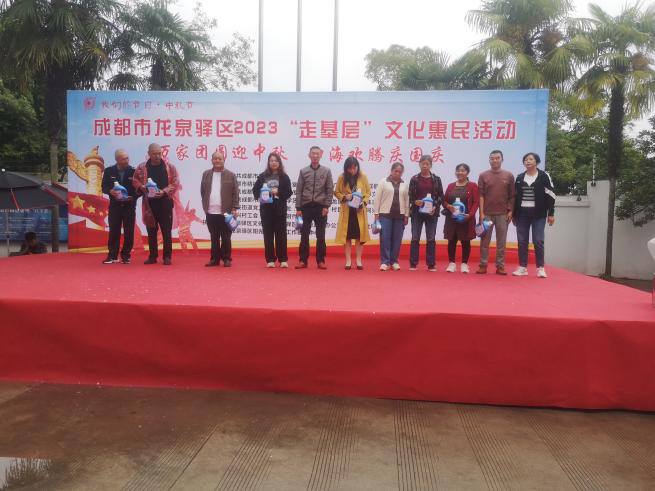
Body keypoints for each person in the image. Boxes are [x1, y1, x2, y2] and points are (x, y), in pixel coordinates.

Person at [133, 143, 180, 265]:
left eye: (159, 153)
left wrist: (164, 191)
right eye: (154, 154)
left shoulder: (170, 167)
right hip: (149, 205)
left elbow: (175, 183)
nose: (158, 156)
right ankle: (153, 256)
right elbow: (135, 180)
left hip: (165, 203)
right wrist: (141, 186)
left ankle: (167, 257)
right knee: (151, 231)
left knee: (166, 231)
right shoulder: (142, 168)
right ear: (149, 154)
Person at [512, 152, 556, 278]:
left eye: (531, 159)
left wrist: (551, 213)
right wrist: (514, 214)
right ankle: (523, 267)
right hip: (522, 214)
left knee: (538, 241)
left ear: (536, 162)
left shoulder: (544, 176)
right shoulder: (519, 177)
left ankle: (540, 268)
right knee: (522, 241)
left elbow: (551, 195)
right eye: (526, 159)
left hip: (539, 214)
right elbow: (515, 197)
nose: (528, 161)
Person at [477, 150, 515, 275]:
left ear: (502, 159)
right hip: (487, 214)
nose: (494, 160)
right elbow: (481, 195)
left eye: (497, 158)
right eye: (492, 158)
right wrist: (481, 213)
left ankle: (500, 266)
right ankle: (483, 265)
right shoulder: (483, 175)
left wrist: (510, 211)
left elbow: (512, 195)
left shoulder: (509, 175)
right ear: (489, 160)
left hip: (503, 214)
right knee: (484, 241)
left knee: (501, 241)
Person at [295, 146, 334, 269]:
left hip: (320, 207)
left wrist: (326, 205)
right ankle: (303, 260)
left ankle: (321, 260)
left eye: (317, 154)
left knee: (320, 235)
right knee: (304, 235)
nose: (315, 156)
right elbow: (299, 190)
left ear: (321, 155)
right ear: (309, 155)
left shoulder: (326, 171)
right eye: (313, 153)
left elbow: (329, 189)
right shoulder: (303, 171)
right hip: (305, 207)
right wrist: (298, 208)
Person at [200, 151, 240, 268]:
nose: (217, 160)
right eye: (215, 158)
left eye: (220, 159)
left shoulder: (231, 175)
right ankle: (214, 259)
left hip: (226, 212)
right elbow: (203, 191)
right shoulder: (206, 174)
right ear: (211, 160)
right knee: (214, 237)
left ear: (224, 160)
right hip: (210, 211)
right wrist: (205, 205)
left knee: (226, 237)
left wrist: (234, 208)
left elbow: (235, 193)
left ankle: (226, 258)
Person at [252, 152, 292, 268]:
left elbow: (289, 192)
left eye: (275, 161)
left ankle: (283, 259)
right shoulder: (262, 176)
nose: (273, 163)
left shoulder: (284, 177)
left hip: (280, 210)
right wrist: (262, 195)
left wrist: (278, 192)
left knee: (281, 236)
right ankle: (270, 260)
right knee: (268, 236)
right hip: (266, 210)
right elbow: (255, 190)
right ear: (268, 163)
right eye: (271, 161)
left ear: (279, 163)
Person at [333, 156, 371, 270]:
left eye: (354, 168)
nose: (352, 170)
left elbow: (368, 193)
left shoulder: (363, 176)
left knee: (359, 237)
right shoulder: (342, 177)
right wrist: (345, 197)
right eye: (350, 168)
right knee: (347, 237)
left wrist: (363, 202)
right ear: (346, 168)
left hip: (359, 211)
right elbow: (336, 192)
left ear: (357, 167)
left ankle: (358, 260)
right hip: (347, 211)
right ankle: (348, 260)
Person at [408, 155, 444, 271]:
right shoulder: (414, 179)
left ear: (431, 165)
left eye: (427, 164)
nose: (425, 166)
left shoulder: (436, 179)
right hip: (417, 212)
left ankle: (431, 264)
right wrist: (415, 202)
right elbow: (410, 195)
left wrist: (435, 206)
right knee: (415, 237)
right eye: (423, 163)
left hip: (431, 213)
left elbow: (441, 196)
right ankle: (413, 263)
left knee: (431, 238)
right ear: (419, 164)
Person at [101, 149, 137, 264]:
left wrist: (133, 197)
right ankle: (112, 256)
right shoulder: (109, 171)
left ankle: (126, 256)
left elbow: (139, 189)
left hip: (129, 206)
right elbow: (104, 187)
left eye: (127, 158)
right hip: (115, 206)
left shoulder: (134, 171)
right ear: (117, 160)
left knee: (129, 231)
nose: (126, 161)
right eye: (123, 159)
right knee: (114, 230)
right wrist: (110, 191)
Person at [443, 163, 480, 273]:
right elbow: (444, 201)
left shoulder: (472, 186)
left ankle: (464, 264)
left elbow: (476, 202)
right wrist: (448, 206)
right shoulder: (450, 186)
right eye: (458, 170)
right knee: (451, 241)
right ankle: (452, 263)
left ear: (467, 172)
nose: (460, 172)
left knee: (465, 242)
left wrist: (470, 215)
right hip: (452, 219)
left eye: (463, 170)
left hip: (465, 219)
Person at [373, 162, 410, 271]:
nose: (398, 173)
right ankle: (385, 262)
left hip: (400, 216)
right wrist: (376, 214)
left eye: (400, 172)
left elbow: (407, 201)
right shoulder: (383, 182)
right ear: (391, 171)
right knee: (385, 238)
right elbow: (377, 199)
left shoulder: (405, 184)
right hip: (385, 215)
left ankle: (394, 261)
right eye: (396, 171)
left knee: (397, 239)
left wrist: (406, 215)